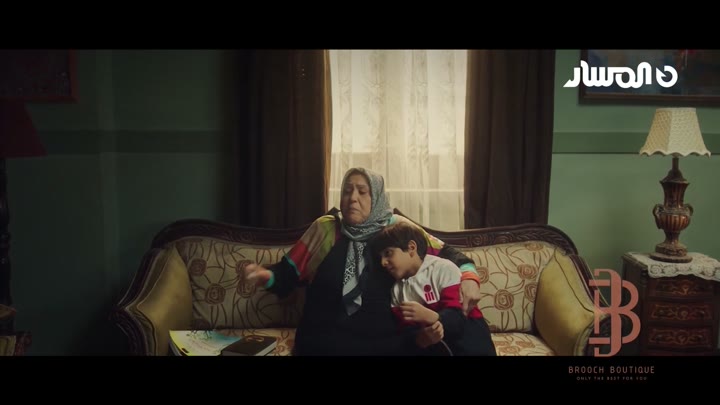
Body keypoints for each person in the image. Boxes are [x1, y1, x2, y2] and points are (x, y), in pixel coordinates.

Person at [244, 167, 482, 355]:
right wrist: (266, 276)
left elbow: (448, 254)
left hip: (386, 344)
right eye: (347, 190)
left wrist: (470, 277)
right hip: (323, 340)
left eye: (362, 191)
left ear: (376, 196)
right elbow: (287, 274)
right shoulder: (325, 228)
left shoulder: (397, 228)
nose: (352, 198)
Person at [369, 221, 496, 356]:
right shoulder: (397, 290)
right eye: (381, 257)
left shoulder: (443, 269)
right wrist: (419, 338)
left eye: (388, 253)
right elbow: (406, 330)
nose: (383, 262)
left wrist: (431, 317)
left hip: (471, 342)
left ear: (411, 248)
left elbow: (459, 318)